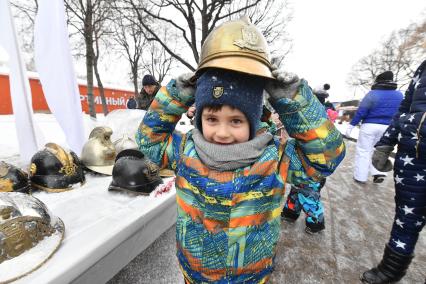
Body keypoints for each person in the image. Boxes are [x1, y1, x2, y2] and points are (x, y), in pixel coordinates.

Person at [136, 17, 345, 283]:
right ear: (200, 118)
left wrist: (293, 101)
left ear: (253, 119)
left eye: (236, 121)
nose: (222, 132)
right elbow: (148, 141)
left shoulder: (274, 157)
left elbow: (327, 158)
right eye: (212, 119)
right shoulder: (185, 150)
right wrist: (177, 95)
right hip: (194, 273)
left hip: (251, 277)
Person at [361, 60, 426, 284]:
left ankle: (363, 175)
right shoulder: (422, 70)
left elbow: (364, 109)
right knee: (407, 215)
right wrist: (387, 140)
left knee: (362, 152)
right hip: (414, 153)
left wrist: (356, 122)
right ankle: (392, 269)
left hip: (404, 143)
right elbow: (405, 106)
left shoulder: (373, 95)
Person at [346, 71, 403, 184]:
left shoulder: (373, 94)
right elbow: (401, 112)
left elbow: (362, 111)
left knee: (364, 151)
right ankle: (378, 173)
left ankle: (360, 177)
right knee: (381, 151)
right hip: (388, 127)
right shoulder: (400, 95)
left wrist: (352, 125)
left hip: (369, 126)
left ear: (379, 81)